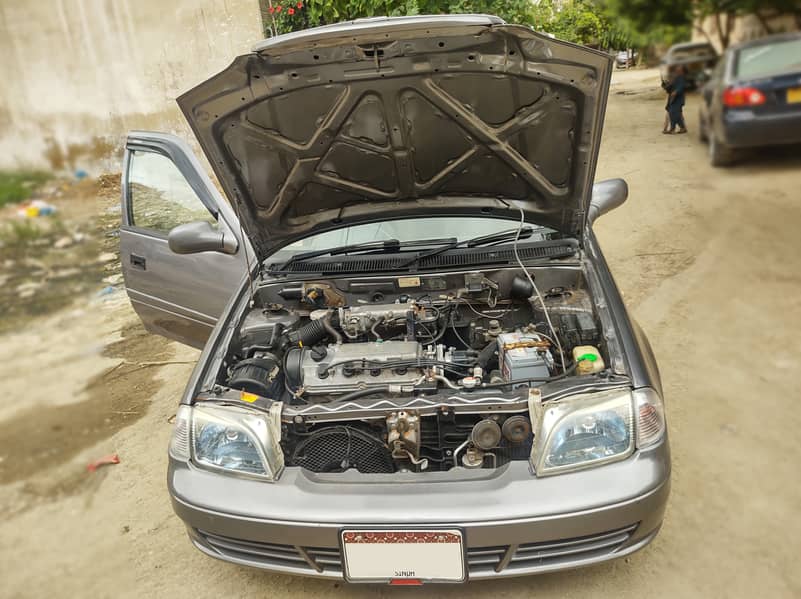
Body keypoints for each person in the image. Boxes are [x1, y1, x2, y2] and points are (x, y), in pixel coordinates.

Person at [664, 65, 688, 134]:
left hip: (678, 99)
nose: (677, 70)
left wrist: (676, 91)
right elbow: (669, 88)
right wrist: (666, 86)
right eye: (677, 69)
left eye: (679, 69)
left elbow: (681, 87)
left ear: (682, 71)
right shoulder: (675, 77)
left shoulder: (682, 78)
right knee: (675, 114)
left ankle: (672, 129)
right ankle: (682, 128)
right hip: (672, 99)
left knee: (674, 113)